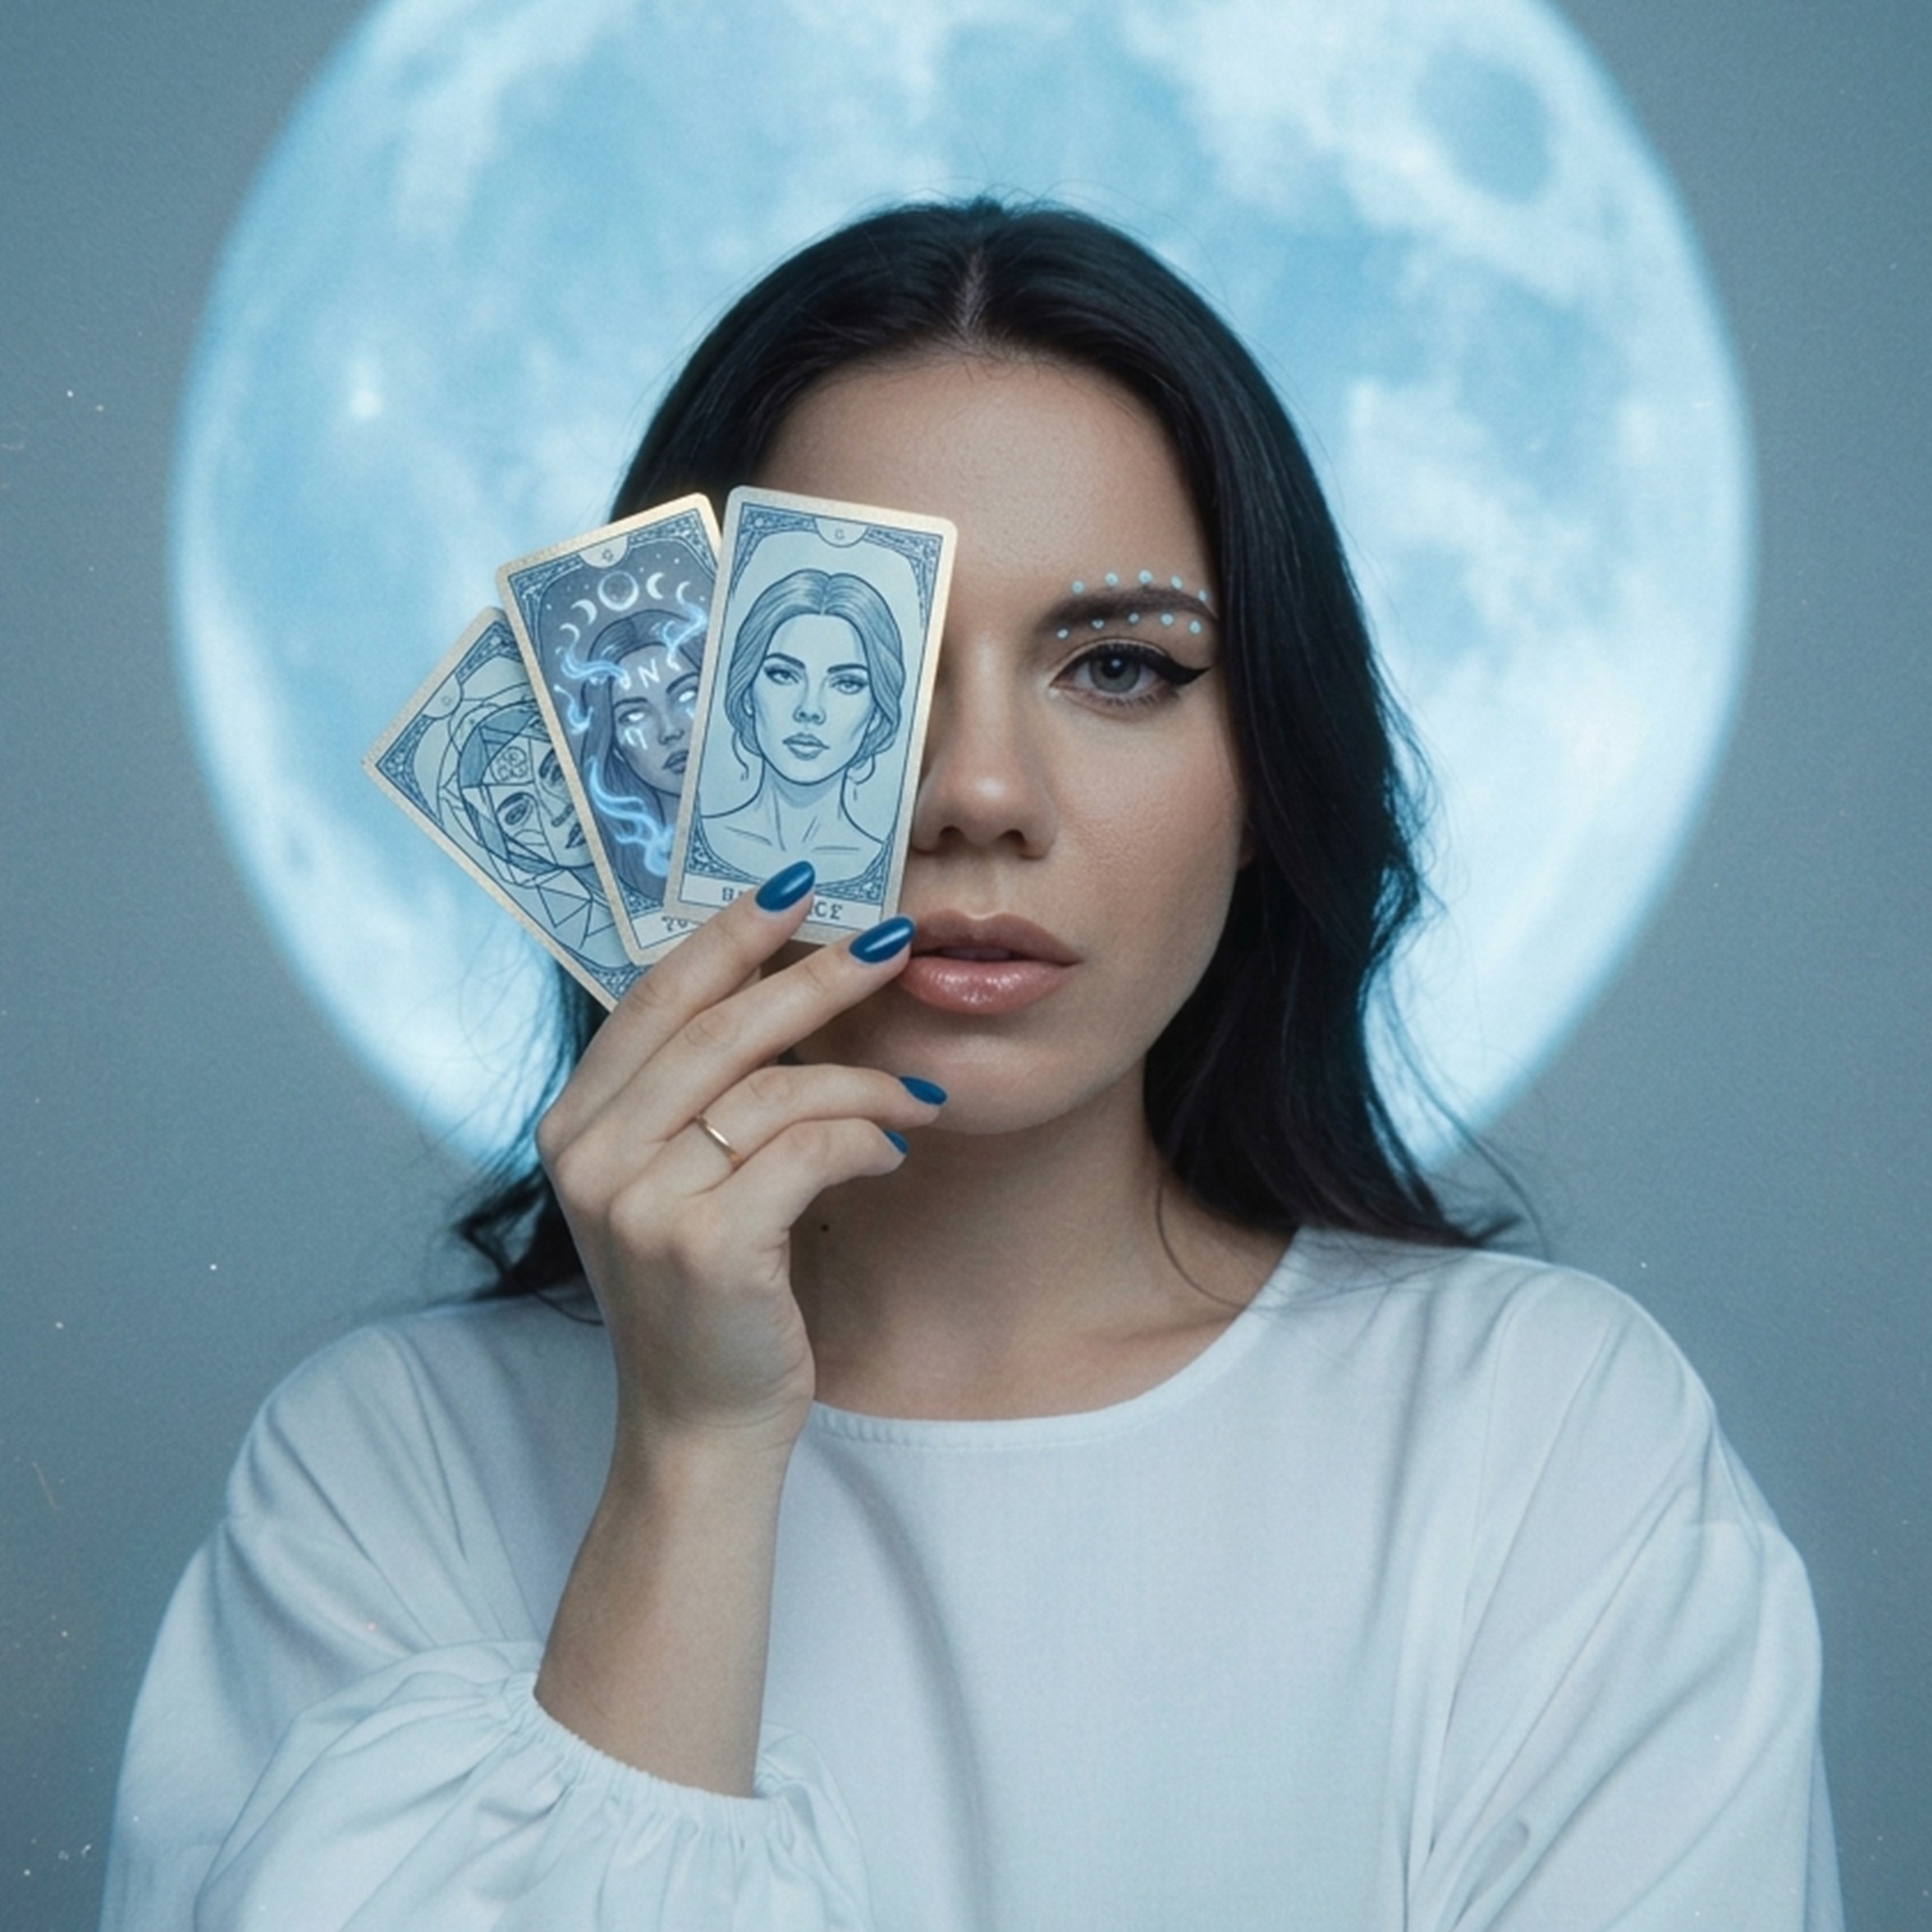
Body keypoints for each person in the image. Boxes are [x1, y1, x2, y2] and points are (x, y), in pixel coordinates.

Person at [100, 199, 1843, 1928]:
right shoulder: (386, 1467)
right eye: (861, 673)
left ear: (1266, 780)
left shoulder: (1540, 1443)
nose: (980, 795)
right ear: (657, 748)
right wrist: (695, 1460)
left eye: (1118, 666)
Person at [693, 565, 906, 894]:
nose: (809, 709)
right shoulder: (695, 840)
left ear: (877, 713)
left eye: (847, 683)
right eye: (783, 675)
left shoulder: (881, 863)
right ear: (747, 693)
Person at [577, 609, 703, 902]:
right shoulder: (628, 876)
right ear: (615, 748)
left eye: (687, 695)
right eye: (634, 716)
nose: (669, 730)